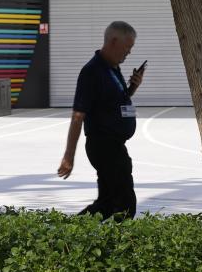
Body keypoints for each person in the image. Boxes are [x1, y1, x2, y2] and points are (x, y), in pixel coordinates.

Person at [57, 21, 146, 220]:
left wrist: (133, 87)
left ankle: (66, 235)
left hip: (113, 144)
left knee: (106, 204)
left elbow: (118, 102)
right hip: (103, 145)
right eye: (127, 47)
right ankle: (119, 246)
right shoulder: (92, 71)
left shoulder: (113, 68)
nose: (129, 53)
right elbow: (78, 115)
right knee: (125, 204)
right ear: (114, 41)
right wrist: (68, 156)